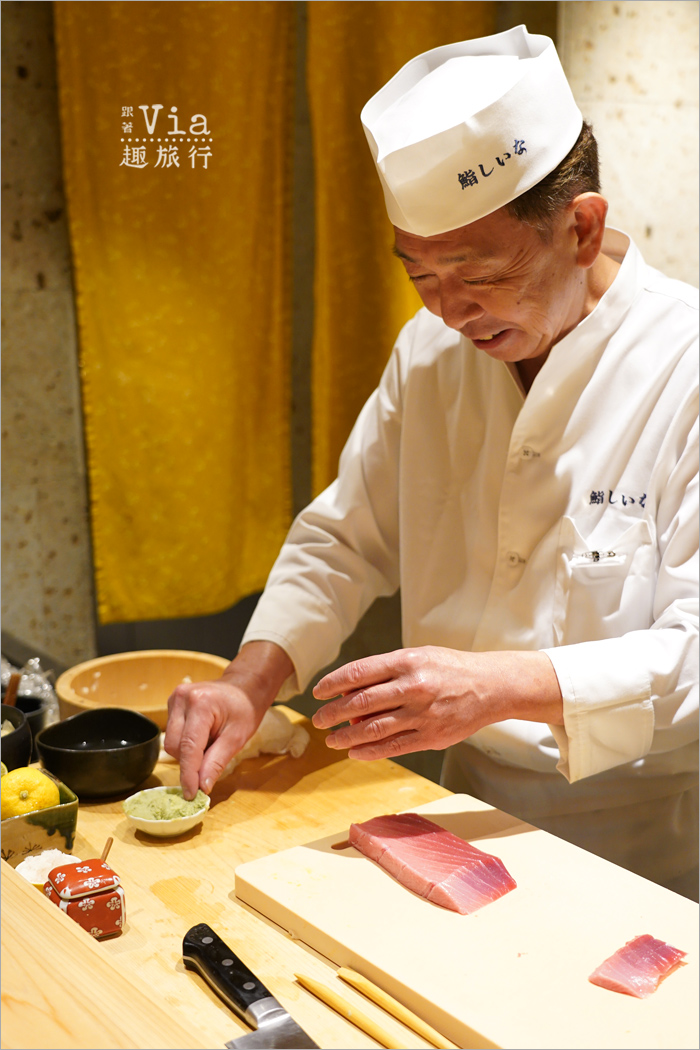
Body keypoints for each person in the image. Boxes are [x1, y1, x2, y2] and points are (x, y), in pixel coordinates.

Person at [165, 26, 698, 897]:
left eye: (476, 273)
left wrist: (501, 685)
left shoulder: (687, 365)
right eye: (420, 275)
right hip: (461, 809)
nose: (449, 312)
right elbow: (346, 538)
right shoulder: (431, 353)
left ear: (581, 226)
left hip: (645, 842)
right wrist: (247, 685)